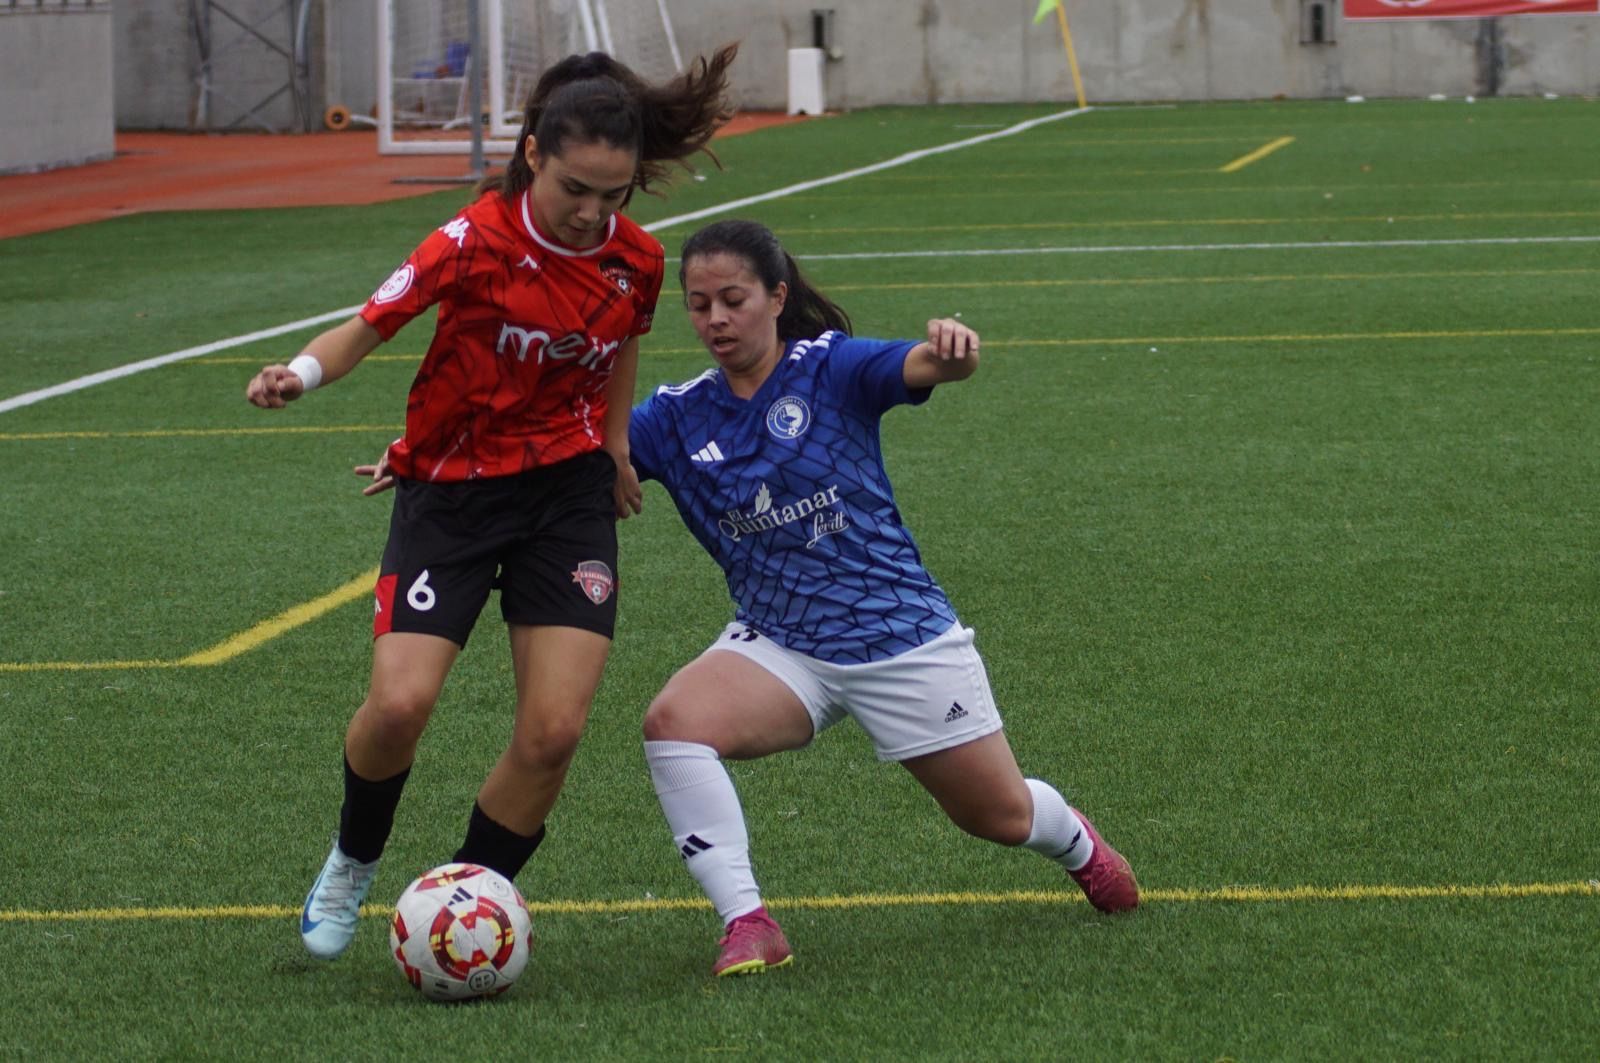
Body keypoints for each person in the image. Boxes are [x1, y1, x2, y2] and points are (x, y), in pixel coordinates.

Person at [244, 44, 737, 961]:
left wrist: (617, 444)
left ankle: (466, 903)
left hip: (566, 498)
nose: (594, 214)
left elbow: (621, 342)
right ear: (533, 155)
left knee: (553, 731)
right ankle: (352, 858)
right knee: (398, 707)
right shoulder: (469, 242)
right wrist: (299, 376)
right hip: (453, 497)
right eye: (577, 190)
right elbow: (368, 325)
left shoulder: (637, 260)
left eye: (614, 195)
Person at [623, 219, 1139, 977]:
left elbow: (922, 364)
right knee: (673, 724)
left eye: (732, 299)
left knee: (996, 815)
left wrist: (951, 352)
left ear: (776, 296)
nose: (716, 320)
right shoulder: (676, 416)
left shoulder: (830, 370)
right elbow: (571, 451)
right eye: (699, 305)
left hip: (898, 635)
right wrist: (446, 462)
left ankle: (1076, 843)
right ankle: (748, 921)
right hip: (781, 643)